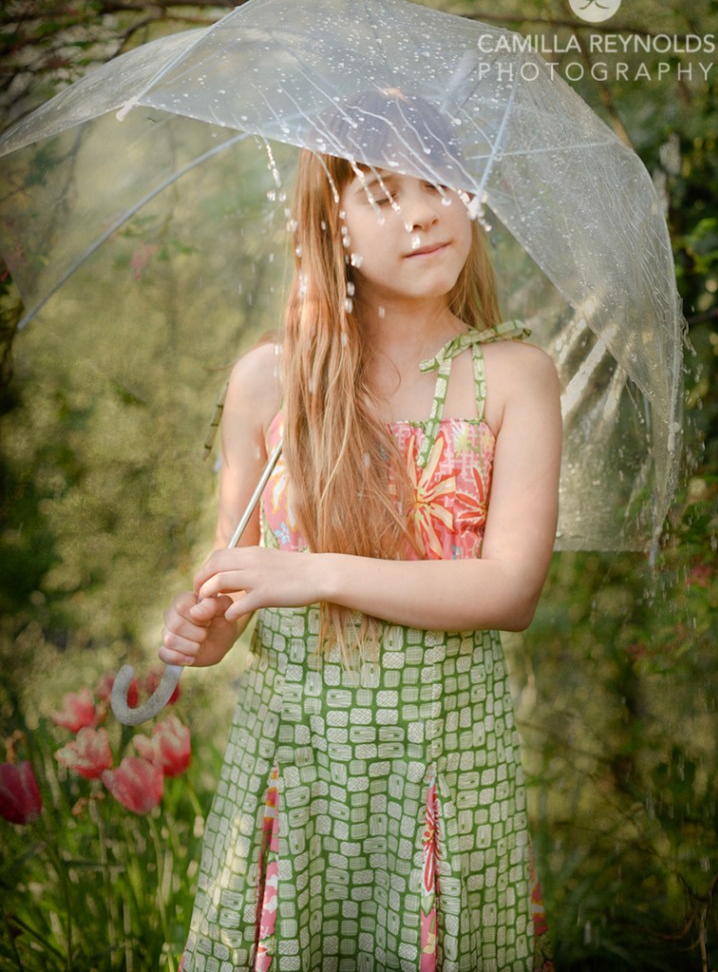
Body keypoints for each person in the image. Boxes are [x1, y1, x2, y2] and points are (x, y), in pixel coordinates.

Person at [161, 95, 562, 971]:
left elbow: (509, 590)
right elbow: (234, 585)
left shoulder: (512, 379)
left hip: (443, 769)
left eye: (440, 184)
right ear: (330, 225)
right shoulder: (273, 384)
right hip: (299, 765)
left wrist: (314, 573)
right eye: (383, 193)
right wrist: (203, 628)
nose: (422, 210)